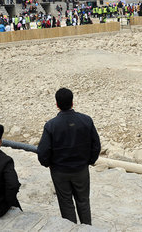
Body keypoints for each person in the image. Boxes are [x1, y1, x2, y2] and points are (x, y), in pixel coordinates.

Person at [37, 88, 101, 225]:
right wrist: (89, 161)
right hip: (81, 170)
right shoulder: (86, 120)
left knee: (66, 203)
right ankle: (86, 228)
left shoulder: (51, 125)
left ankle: (70, 228)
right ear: (72, 102)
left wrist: (49, 164)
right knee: (83, 201)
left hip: (59, 171)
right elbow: (96, 145)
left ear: (57, 104)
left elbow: (43, 152)